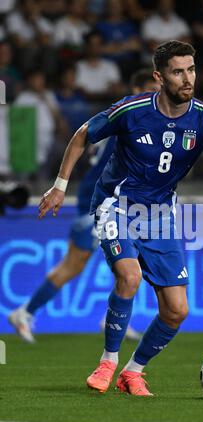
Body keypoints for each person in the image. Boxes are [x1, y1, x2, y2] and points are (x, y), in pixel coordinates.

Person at [37, 41, 203, 396]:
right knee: (129, 275)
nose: (187, 79)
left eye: (192, 70)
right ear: (159, 76)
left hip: (161, 213)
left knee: (177, 311)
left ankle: (132, 372)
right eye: (178, 71)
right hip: (115, 204)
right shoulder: (132, 110)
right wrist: (60, 186)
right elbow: (82, 136)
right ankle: (107, 362)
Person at [9, 68, 160, 344]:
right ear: (137, 90)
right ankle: (25, 312)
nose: (154, 97)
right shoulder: (129, 120)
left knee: (124, 261)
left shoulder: (124, 118)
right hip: (100, 204)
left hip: (112, 203)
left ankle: (109, 317)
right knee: (78, 264)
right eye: (149, 90)